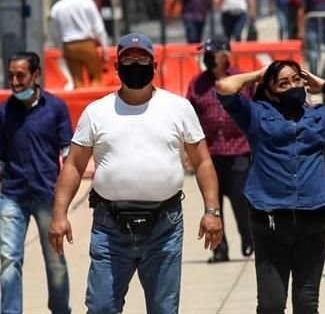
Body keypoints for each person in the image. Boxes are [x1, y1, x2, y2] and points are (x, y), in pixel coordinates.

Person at [48, 32, 224, 313]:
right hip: (109, 227)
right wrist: (59, 215)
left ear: (154, 66)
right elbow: (74, 165)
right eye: (128, 60)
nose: (135, 65)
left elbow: (202, 161)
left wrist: (212, 211)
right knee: (101, 308)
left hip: (165, 226)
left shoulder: (178, 108)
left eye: (142, 60)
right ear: (117, 67)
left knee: (163, 309)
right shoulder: (96, 112)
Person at [215, 58, 325, 313]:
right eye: (283, 83)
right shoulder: (255, 114)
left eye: (296, 80)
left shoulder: (321, 116)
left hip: (314, 216)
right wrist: (258, 75)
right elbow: (225, 87)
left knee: (306, 303)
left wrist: (324, 85)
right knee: (271, 305)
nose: (292, 86)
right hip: (269, 217)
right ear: (270, 91)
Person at [1, 52, 72, 314]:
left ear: (36, 74)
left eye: (20, 75)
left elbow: (68, 155)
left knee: (55, 262)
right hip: (13, 196)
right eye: (11, 76)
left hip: (47, 196)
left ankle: (60, 309)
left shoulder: (56, 108)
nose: (15, 81)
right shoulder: (3, 112)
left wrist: (63, 201)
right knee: (8, 261)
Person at [185, 37, 254, 263]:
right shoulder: (197, 83)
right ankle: (219, 249)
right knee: (213, 201)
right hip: (210, 153)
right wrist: (187, 150)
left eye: (210, 53)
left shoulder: (241, 79)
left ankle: (249, 238)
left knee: (240, 197)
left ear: (224, 55)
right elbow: (189, 115)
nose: (206, 57)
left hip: (238, 149)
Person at [49, 0, 110, 87]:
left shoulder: (57, 7)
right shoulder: (87, 2)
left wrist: (61, 48)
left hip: (69, 46)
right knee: (95, 76)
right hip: (87, 43)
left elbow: (55, 33)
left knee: (77, 80)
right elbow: (98, 27)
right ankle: (94, 96)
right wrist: (105, 48)